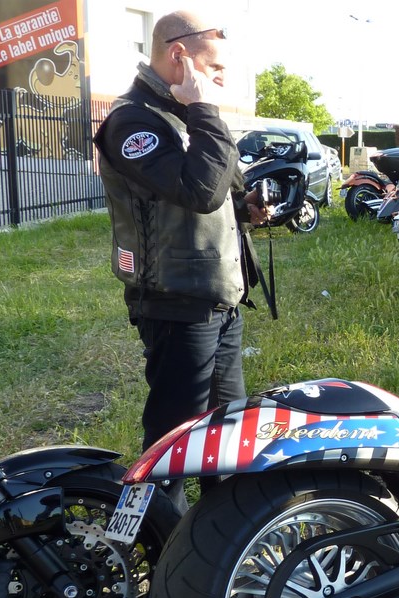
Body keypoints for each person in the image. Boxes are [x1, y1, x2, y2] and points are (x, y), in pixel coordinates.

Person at [94, 11, 266, 505]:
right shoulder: (132, 121)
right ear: (179, 56)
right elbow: (199, 191)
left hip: (217, 297)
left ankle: (219, 538)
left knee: (226, 436)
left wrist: (247, 207)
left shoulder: (180, 112)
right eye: (215, 68)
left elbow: (216, 193)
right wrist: (205, 110)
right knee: (173, 443)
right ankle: (157, 540)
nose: (222, 79)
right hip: (176, 303)